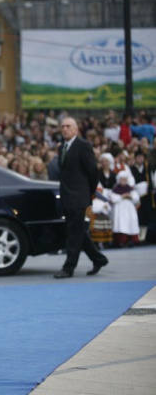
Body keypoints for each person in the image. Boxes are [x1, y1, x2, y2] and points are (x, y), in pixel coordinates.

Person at [54, 117, 109, 279]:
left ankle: (68, 268)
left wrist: (89, 193)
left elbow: (93, 172)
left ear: (76, 129)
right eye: (63, 126)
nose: (65, 129)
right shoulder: (61, 147)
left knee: (73, 234)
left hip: (79, 196)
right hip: (67, 196)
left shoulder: (83, 146)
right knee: (77, 232)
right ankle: (99, 259)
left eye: (68, 126)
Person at [110, 170, 140, 247]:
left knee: (131, 223)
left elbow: (136, 197)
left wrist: (130, 196)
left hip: (129, 208)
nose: (124, 181)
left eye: (125, 179)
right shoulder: (116, 188)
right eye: (122, 179)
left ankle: (132, 240)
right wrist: (122, 196)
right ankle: (121, 241)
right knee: (121, 224)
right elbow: (112, 198)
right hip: (120, 209)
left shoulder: (129, 188)